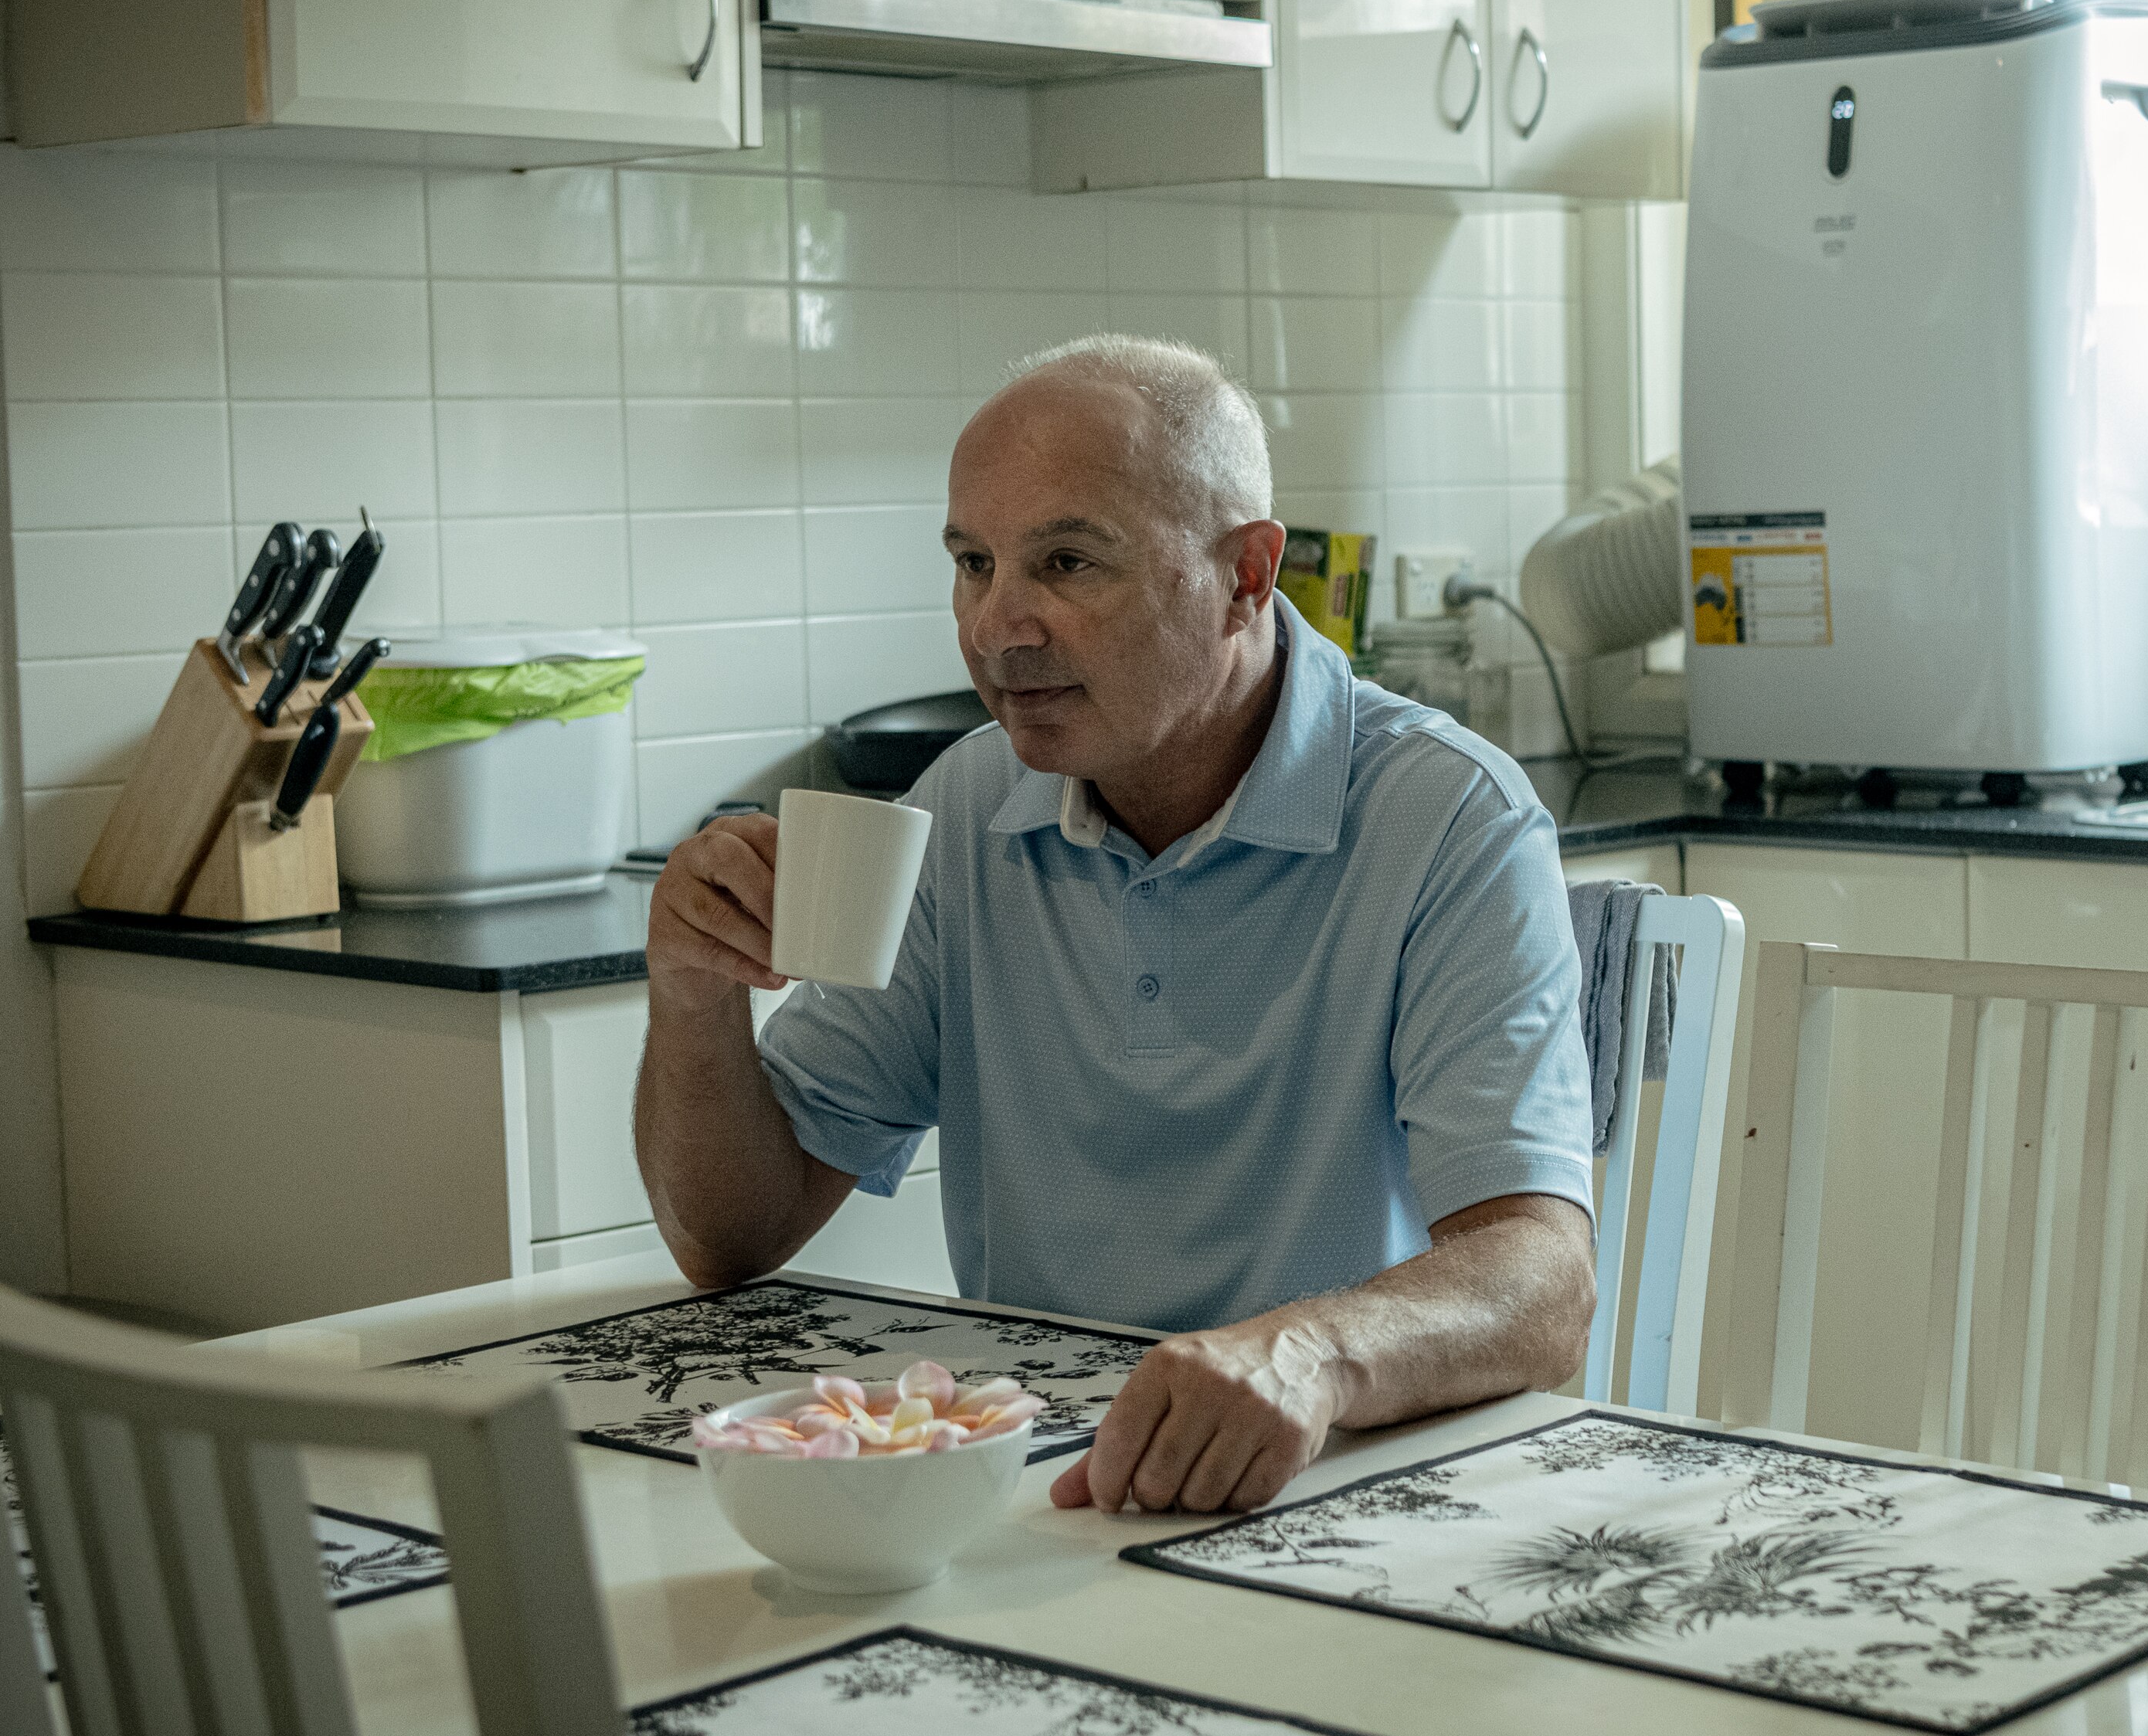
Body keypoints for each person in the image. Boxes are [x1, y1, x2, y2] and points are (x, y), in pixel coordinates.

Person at [635, 335, 1595, 1516]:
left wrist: (1305, 1357)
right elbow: (731, 1236)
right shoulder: (964, 807)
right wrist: (694, 994)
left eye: (1068, 562)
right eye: (973, 563)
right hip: (1049, 1487)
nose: (998, 628)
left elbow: (1543, 1284)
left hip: (1344, 1479)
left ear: (1247, 575)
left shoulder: (1451, 819)